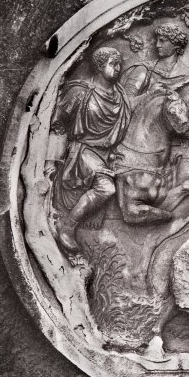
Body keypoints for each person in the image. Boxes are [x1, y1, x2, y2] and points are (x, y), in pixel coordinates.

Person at [47, 46, 131, 252]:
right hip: (83, 151)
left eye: (119, 64)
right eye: (113, 64)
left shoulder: (120, 95)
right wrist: (53, 159)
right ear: (100, 66)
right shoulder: (80, 92)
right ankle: (67, 227)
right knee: (106, 189)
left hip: (108, 153)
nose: (118, 68)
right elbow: (57, 123)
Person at [121, 23, 189, 97]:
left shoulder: (188, 75)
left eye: (162, 41)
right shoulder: (144, 69)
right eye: (157, 41)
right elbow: (127, 103)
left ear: (175, 44)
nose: (157, 45)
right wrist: (149, 94)